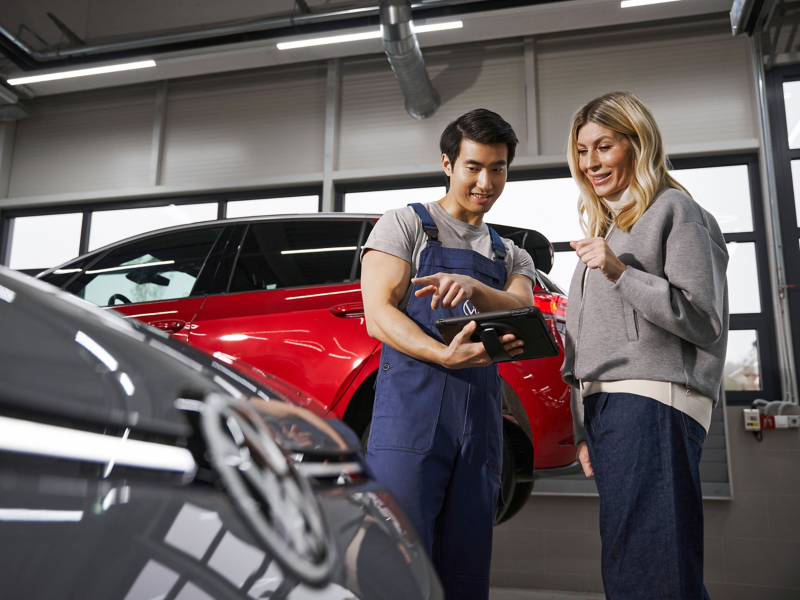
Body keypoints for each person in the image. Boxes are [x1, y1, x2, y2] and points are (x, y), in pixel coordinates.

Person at [360, 108, 537, 600]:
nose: (486, 182)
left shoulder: (509, 254)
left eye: (498, 169)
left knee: (465, 570)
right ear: (447, 163)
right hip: (410, 421)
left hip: (480, 429)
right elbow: (378, 314)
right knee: (398, 561)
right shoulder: (406, 225)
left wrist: (474, 287)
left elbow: (521, 307)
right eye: (473, 167)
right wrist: (442, 355)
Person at [561, 91, 728, 600]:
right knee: (631, 564)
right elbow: (586, 341)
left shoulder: (676, 210)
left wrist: (620, 272)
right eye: (582, 151)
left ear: (638, 144)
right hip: (610, 411)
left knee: (652, 571)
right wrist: (582, 428)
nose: (591, 163)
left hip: (652, 404)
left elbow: (704, 319)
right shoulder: (610, 228)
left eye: (604, 146)